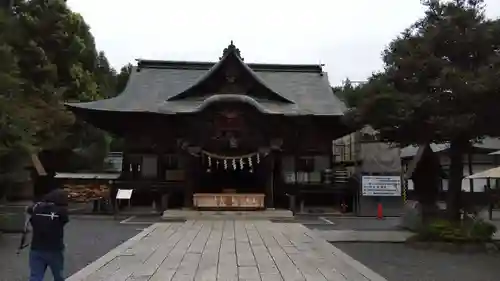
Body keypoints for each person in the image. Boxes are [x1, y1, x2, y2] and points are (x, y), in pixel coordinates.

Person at [27, 188, 69, 281]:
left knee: (35, 276)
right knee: (58, 276)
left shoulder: (36, 208)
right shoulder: (61, 211)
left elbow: (30, 215)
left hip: (36, 248)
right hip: (55, 248)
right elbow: (65, 220)